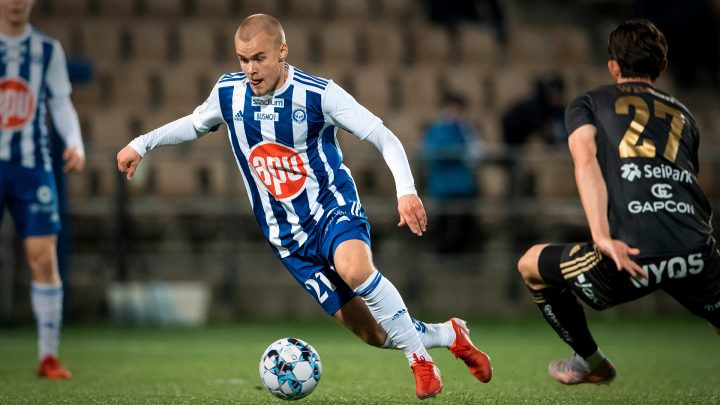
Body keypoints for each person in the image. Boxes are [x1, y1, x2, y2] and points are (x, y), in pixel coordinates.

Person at [117, 14, 491, 399]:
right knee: (374, 334)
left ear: (282, 52)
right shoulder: (229, 93)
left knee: (356, 269)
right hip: (288, 239)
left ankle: (420, 362)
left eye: (259, 58)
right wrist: (141, 143)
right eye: (242, 60)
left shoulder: (318, 94)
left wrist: (406, 190)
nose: (250, 69)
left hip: (332, 209)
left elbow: (382, 135)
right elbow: (195, 123)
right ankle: (450, 334)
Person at [517, 18, 720, 386]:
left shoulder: (588, 103)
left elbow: (585, 159)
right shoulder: (687, 117)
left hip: (631, 252)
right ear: (662, 66)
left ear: (613, 65)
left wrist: (601, 235)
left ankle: (589, 360)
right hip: (695, 249)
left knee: (531, 264)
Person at [0, 0, 85, 379]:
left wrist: (75, 143)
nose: (16, 2)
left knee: (43, 257)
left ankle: (48, 357)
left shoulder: (47, 49)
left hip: (32, 168)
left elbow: (61, 102)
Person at [421, 92, 484, 253]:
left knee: (465, 221)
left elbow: (477, 153)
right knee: (443, 221)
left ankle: (465, 256)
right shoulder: (437, 130)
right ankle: (442, 255)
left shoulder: (466, 129)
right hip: (443, 186)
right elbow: (431, 153)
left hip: (463, 185)